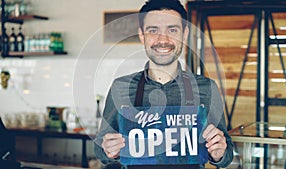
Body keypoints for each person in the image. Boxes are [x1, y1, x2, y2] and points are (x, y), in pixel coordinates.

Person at [94, 0, 233, 168]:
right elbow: (100, 147)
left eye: (172, 30)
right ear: (141, 35)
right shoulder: (120, 87)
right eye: (153, 30)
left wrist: (219, 153)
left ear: (185, 34)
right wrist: (109, 150)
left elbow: (227, 155)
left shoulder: (206, 88)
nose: (163, 39)